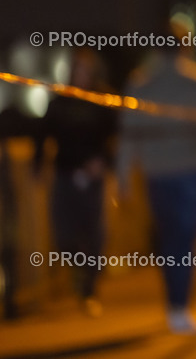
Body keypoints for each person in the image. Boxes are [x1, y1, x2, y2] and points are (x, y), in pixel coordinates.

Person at [117, 21, 196, 335]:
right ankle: (180, 306)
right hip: (192, 170)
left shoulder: (141, 84)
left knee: (168, 238)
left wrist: (124, 178)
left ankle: (174, 303)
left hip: (156, 173)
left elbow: (128, 136)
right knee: (185, 239)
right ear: (186, 47)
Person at [33, 49, 116, 317]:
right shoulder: (59, 102)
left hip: (94, 180)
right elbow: (41, 135)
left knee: (95, 235)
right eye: (77, 68)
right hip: (65, 176)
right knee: (64, 236)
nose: (81, 74)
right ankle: (78, 273)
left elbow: (116, 137)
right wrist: (38, 166)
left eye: (86, 69)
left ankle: (89, 290)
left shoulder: (102, 100)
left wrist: (104, 162)